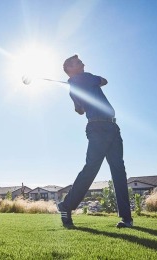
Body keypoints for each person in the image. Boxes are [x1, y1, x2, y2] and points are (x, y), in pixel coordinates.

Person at [57, 55, 133, 228]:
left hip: (111, 127)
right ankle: (66, 206)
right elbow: (104, 81)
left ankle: (127, 219)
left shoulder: (76, 85)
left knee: (118, 171)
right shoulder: (85, 78)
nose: (83, 63)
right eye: (78, 62)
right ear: (70, 69)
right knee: (93, 169)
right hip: (99, 129)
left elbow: (79, 111)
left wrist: (78, 89)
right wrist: (79, 85)